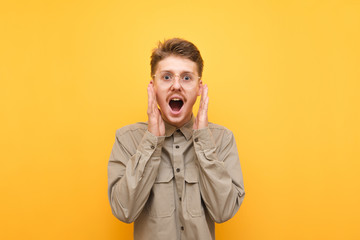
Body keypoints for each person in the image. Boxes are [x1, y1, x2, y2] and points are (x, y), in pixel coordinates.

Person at [107, 38, 245, 240]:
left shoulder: (222, 139)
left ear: (199, 88)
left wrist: (204, 141)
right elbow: (123, 211)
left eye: (187, 78)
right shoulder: (127, 140)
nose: (176, 86)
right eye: (167, 77)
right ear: (153, 86)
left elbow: (223, 212)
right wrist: (151, 142)